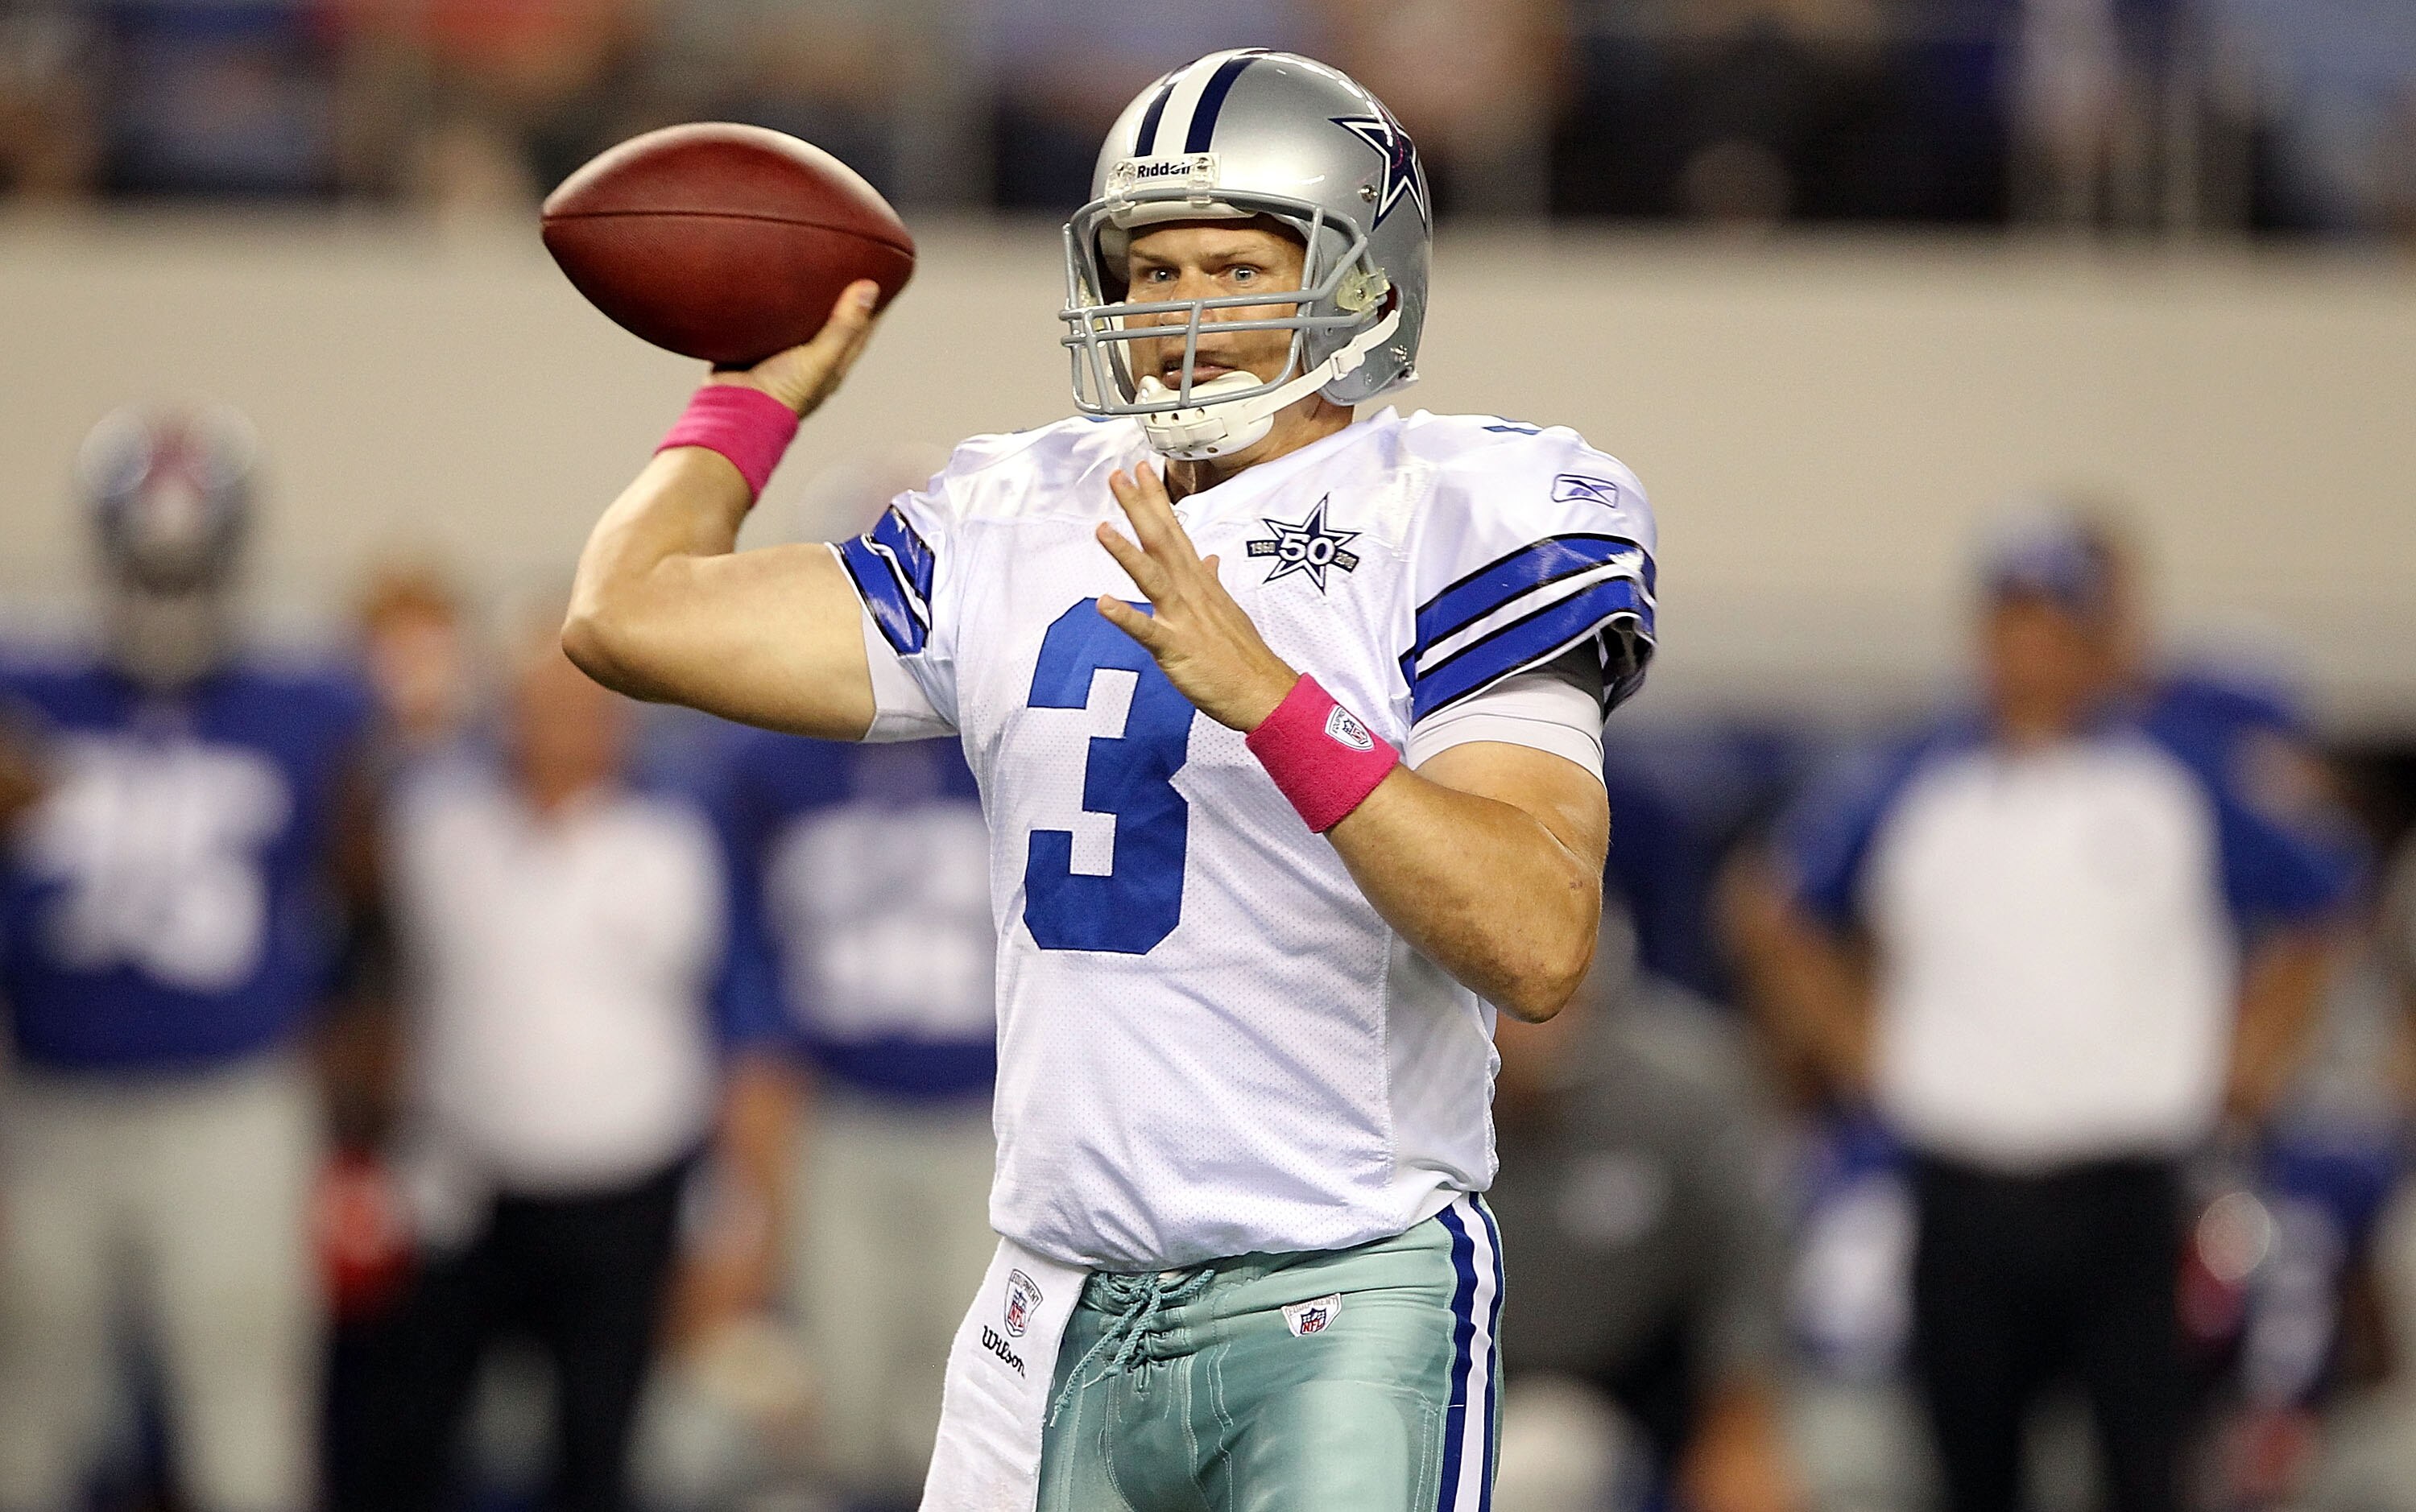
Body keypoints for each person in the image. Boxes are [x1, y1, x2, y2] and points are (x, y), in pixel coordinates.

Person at [562, 49, 1657, 1510]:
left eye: (1234, 264)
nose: (1182, 313)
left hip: (1338, 1285)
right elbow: (625, 615)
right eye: (1149, 270)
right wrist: (756, 397)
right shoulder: (1019, 507)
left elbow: (1534, 939)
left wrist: (1269, 697)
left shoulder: (1456, 511)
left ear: (1363, 282)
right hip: (1050, 1298)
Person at [1740, 511, 2358, 1512]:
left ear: (2090, 640)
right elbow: (1777, 909)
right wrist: (1863, 1052)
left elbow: (2323, 898)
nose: (2029, 650)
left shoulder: (2174, 772)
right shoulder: (1915, 778)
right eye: (2008, 624)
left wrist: (2254, 1057)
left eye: (2051, 625)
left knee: (2141, 1462)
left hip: (2125, 1187)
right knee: (1970, 1463)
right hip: (1960, 1184)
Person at [0, 405, 370, 1512]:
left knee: (243, 1418)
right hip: (50, 1102)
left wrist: (356, 1092)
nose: (166, 591)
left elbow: (366, 906)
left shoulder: (309, 701)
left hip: (231, 1105)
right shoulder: (28, 688)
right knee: (30, 1416)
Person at [345, 620, 788, 1512]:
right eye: (537, 705)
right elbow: (366, 956)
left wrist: (741, 1213)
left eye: (583, 707)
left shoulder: (677, 846)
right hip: (463, 1190)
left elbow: (745, 1031)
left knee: (596, 1449)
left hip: (624, 1195)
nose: (560, 728)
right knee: (412, 1438)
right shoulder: (435, 827)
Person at [709, 723, 997, 1508]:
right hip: (836, 1116)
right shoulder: (767, 761)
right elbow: (742, 960)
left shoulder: (1005, 737)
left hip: (990, 1119)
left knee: (981, 1401)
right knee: (841, 1402)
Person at [1487, 907, 1801, 1512]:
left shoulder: (1682, 1090)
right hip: (1458, 1381)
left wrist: (1739, 1423)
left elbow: (1747, 1260)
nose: (1525, 1025)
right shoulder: (1393, 1098)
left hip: (1644, 1381)